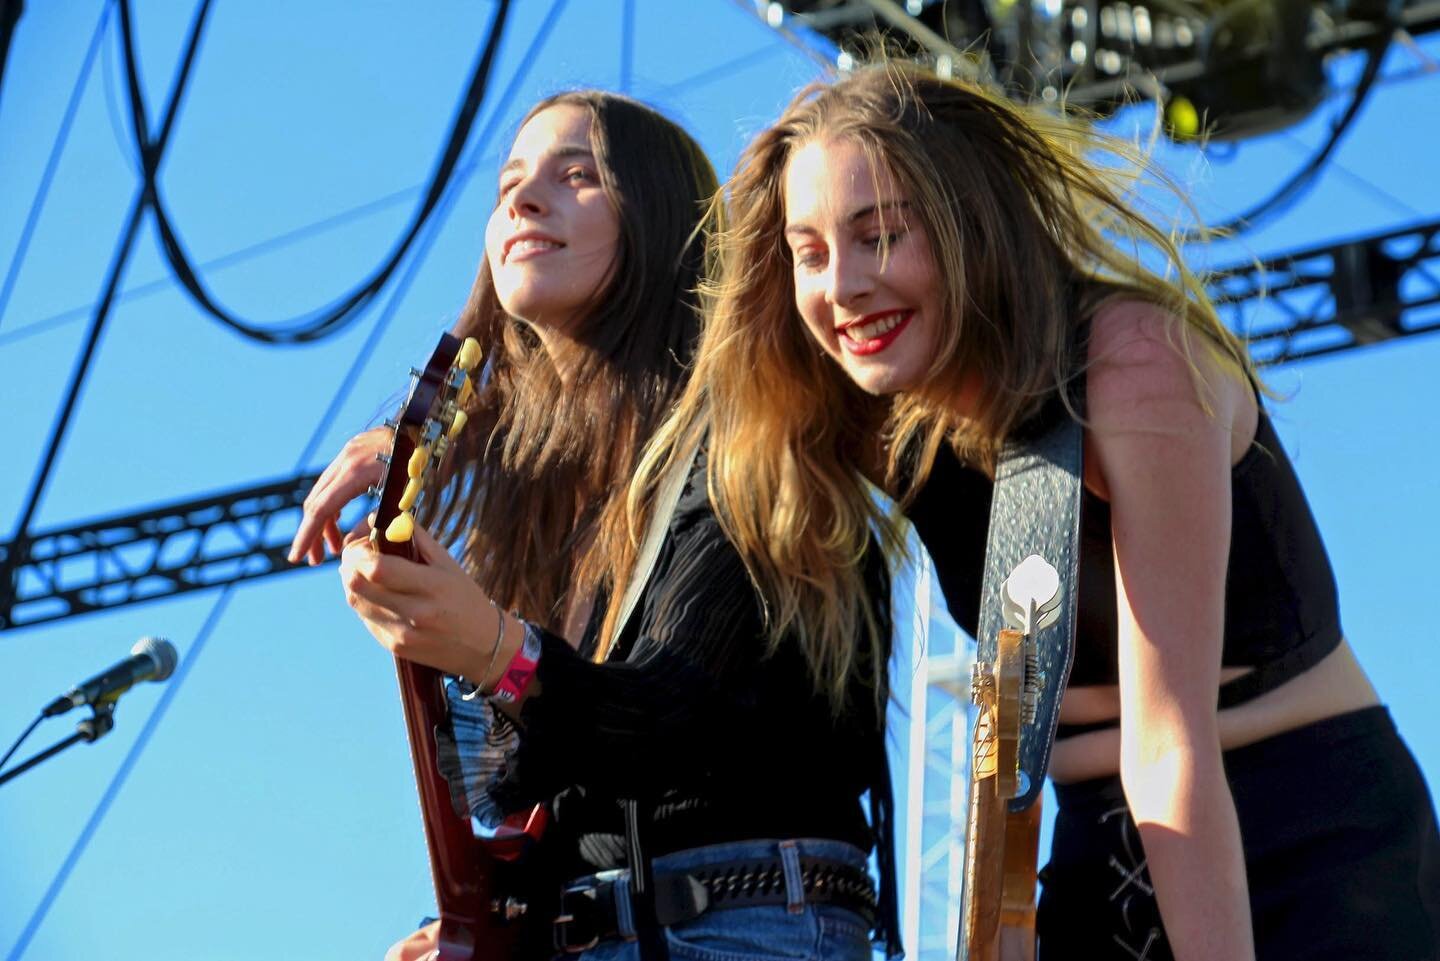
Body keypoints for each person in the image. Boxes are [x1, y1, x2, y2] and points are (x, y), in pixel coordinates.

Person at [653, 61, 1440, 960]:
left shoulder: (1133, 362)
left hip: (1299, 830)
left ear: (969, 224)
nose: (844, 287)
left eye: (881, 235)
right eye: (811, 252)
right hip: (1093, 843)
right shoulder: (887, 418)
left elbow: (1167, 747)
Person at [289, 89, 899, 961]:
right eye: (510, 185)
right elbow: (525, 782)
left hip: (748, 923)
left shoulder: (750, 433)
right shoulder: (540, 505)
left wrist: (495, 647)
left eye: (579, 176)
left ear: (662, 222)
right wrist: (493, 916)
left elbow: (656, 722)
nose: (524, 200)